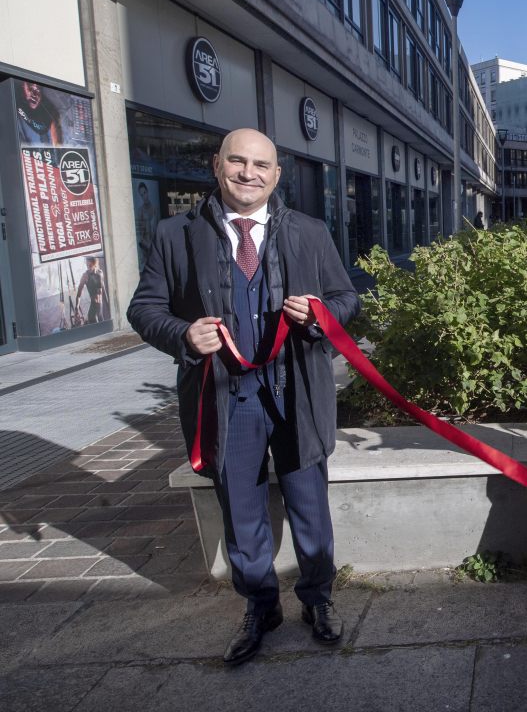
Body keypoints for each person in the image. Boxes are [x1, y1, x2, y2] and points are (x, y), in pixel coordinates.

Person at [127, 128, 360, 665]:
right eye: (237, 161)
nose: (248, 173)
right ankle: (260, 606)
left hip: (297, 394)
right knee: (241, 513)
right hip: (226, 400)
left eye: (260, 165)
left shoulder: (309, 230)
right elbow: (144, 309)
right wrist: (183, 334)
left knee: (310, 507)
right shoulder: (175, 233)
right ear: (217, 165)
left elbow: (346, 298)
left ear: (276, 175)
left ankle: (318, 598)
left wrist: (322, 315)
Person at [16, 81, 62, 146]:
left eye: (38, 89)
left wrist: (57, 147)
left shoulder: (48, 109)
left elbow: (55, 120)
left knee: (43, 136)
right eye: (30, 88)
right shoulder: (16, 97)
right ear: (23, 87)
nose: (34, 94)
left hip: (42, 129)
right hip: (33, 128)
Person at [74, 256, 107, 325]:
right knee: (93, 320)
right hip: (94, 305)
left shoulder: (100, 273)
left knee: (101, 320)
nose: (88, 267)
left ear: (94, 263)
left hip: (100, 305)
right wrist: (76, 308)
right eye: (87, 265)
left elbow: (103, 289)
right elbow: (78, 294)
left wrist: (108, 303)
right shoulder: (85, 276)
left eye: (90, 265)